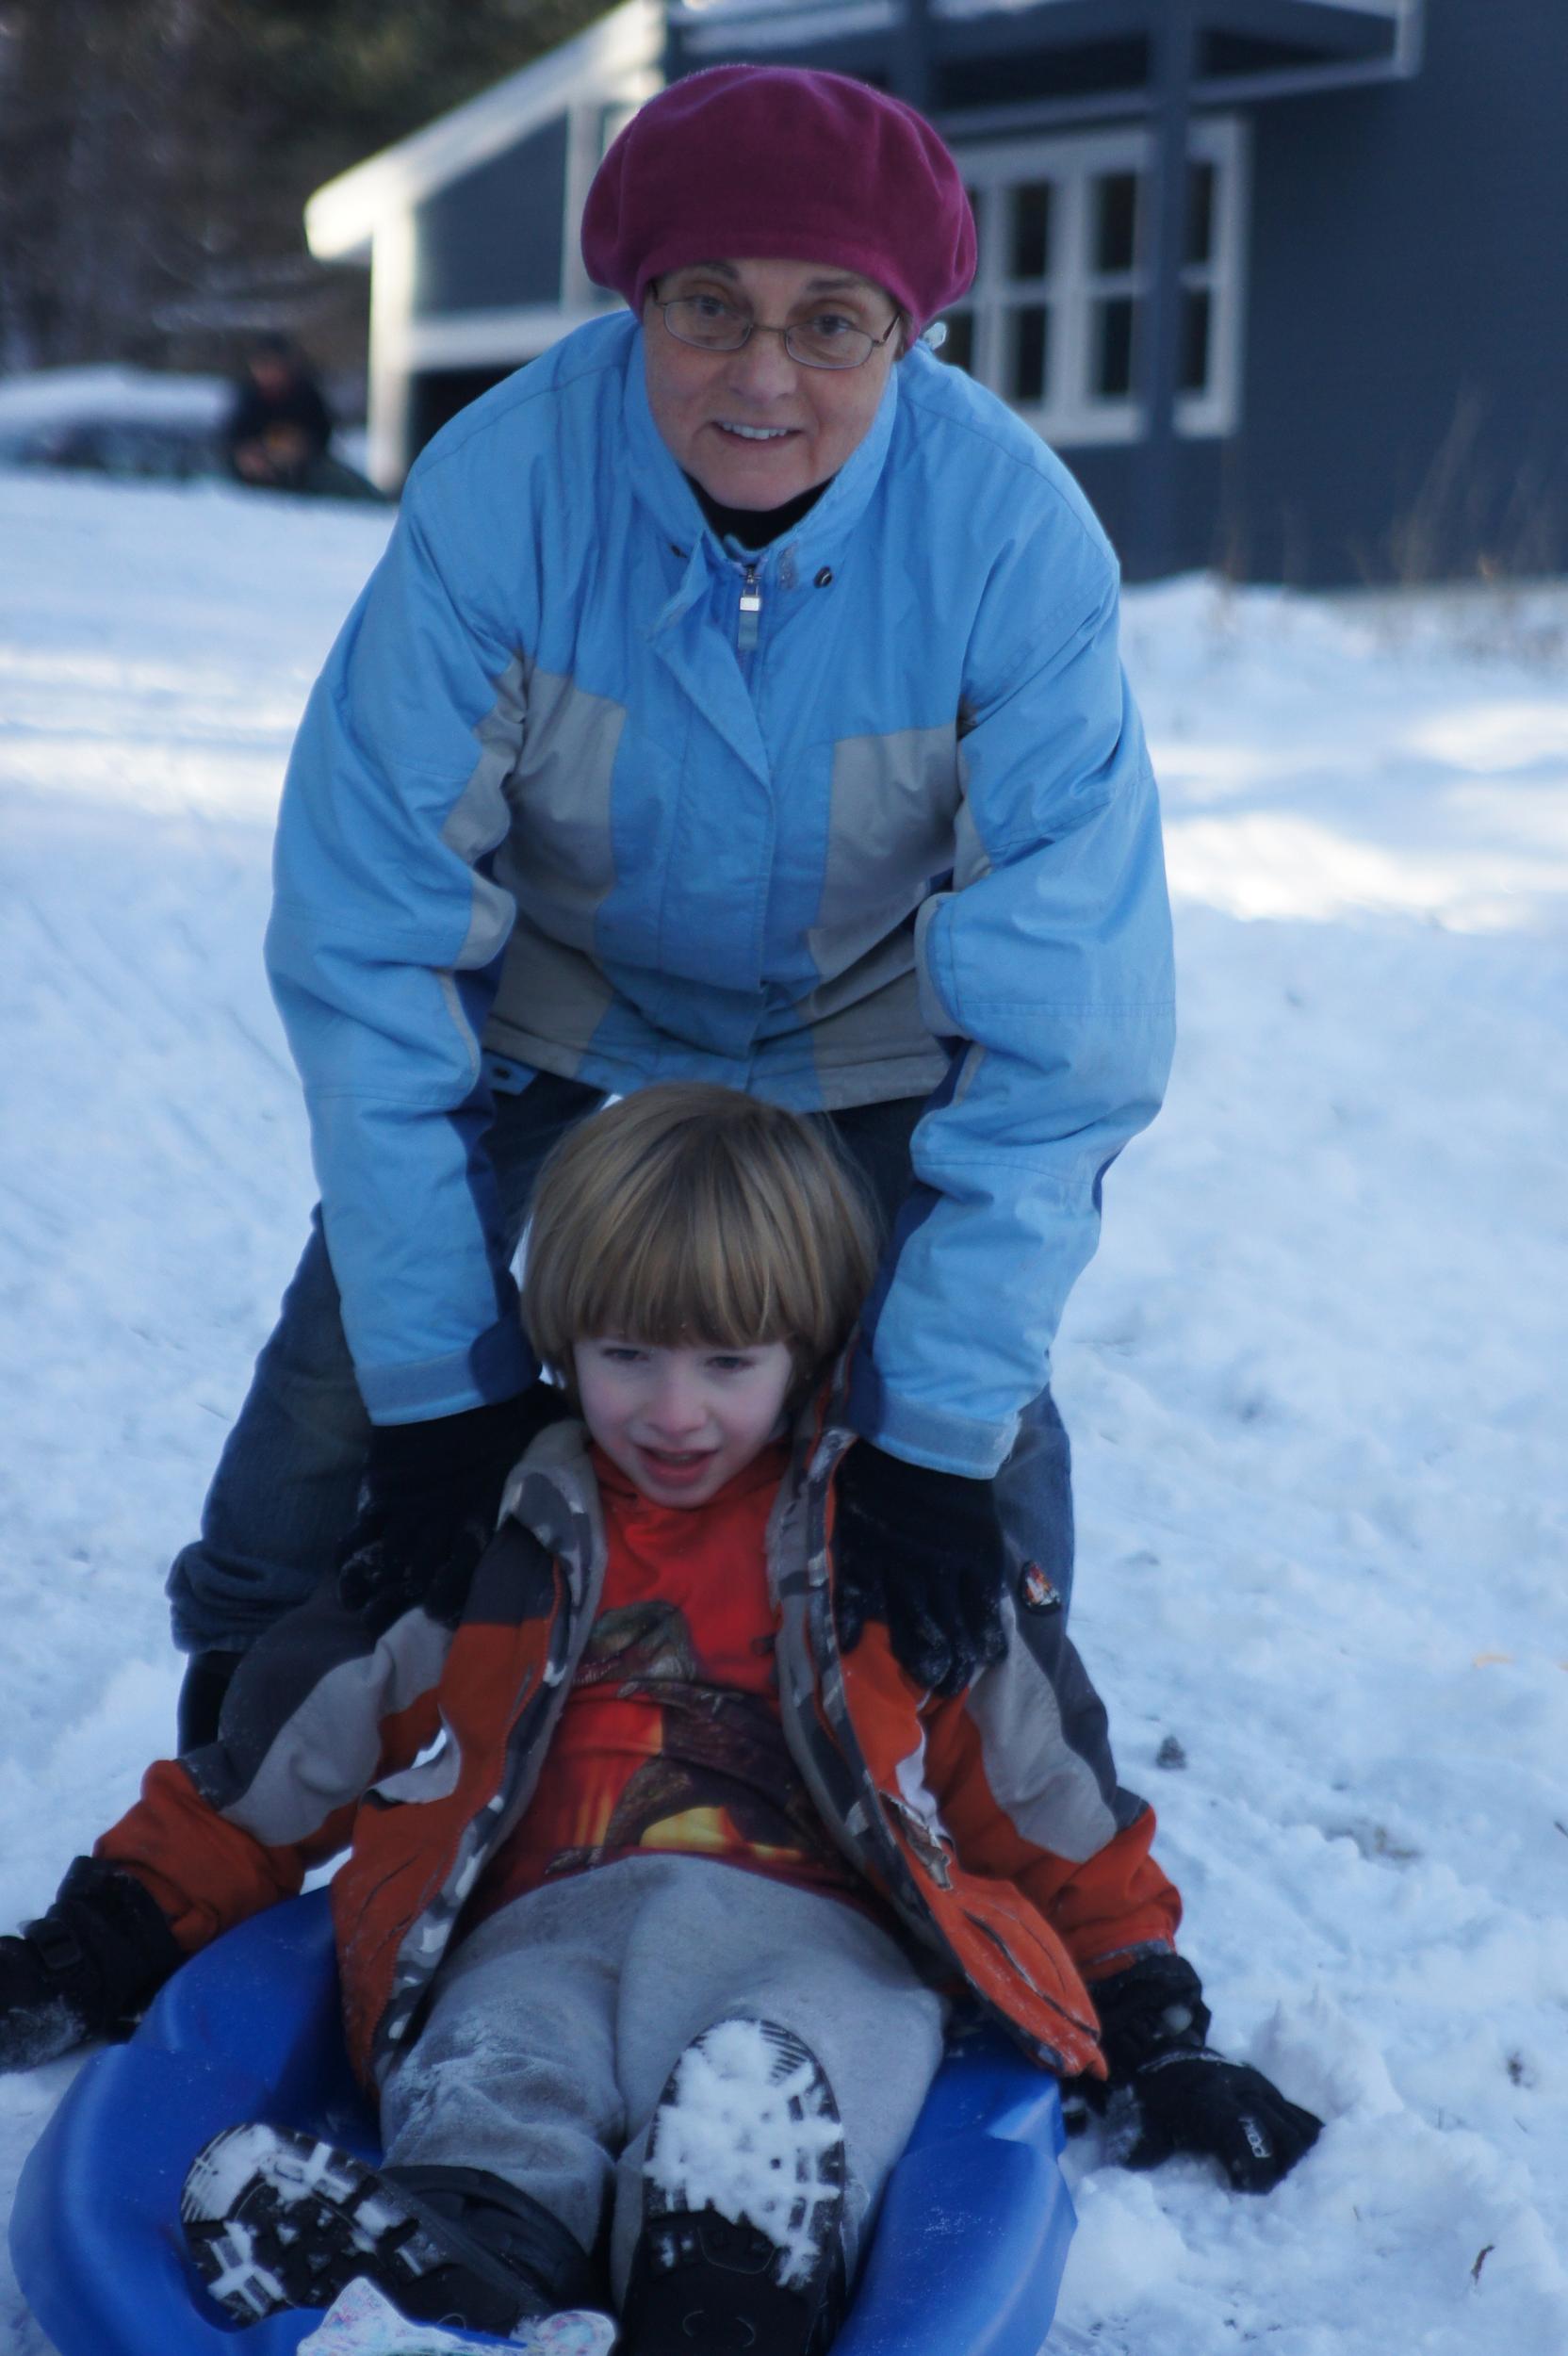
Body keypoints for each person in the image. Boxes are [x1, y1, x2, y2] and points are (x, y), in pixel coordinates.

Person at [169, 62, 1177, 1776]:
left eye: (831, 323)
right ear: (635, 300)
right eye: (708, 309)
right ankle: (234, 1747)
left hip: (860, 1009)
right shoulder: (500, 497)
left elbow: (1066, 1023)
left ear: (909, 335)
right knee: (343, 1372)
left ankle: (986, 1766)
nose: (763, 374)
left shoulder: (1010, 541)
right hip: (557, 992)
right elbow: (368, 943)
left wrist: (926, 1438)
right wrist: (440, 1392)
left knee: (980, 1450)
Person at [0, 1088, 1317, 2355]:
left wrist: (1155, 2024)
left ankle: (735, 2263)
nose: (672, 1410)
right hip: (541, 1928)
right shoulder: (496, 1543)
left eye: (727, 1363)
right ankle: (461, 2253)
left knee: (790, 2067)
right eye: (626, 1357)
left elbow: (1045, 1801)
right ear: (564, 1344)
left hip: (820, 1939)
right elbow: (287, 1766)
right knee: (505, 2068)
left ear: (813, 1350)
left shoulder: (896, 1558)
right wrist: (99, 1935)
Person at [224, 332, 336, 492]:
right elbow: (233, 435)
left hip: (303, 475)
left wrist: (300, 446)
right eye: (262, 365)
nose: (267, 372)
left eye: (273, 365)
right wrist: (247, 453)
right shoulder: (248, 396)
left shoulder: (306, 396)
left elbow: (322, 434)